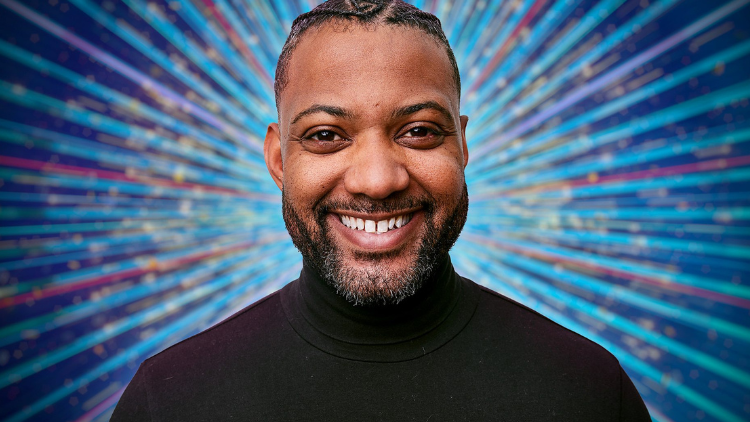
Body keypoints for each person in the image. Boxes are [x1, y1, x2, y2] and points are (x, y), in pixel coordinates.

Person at [111, 1, 651, 420]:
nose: (376, 181)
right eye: (326, 135)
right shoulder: (170, 399)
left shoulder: (588, 390)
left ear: (461, 146)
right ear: (279, 158)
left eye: (418, 131)